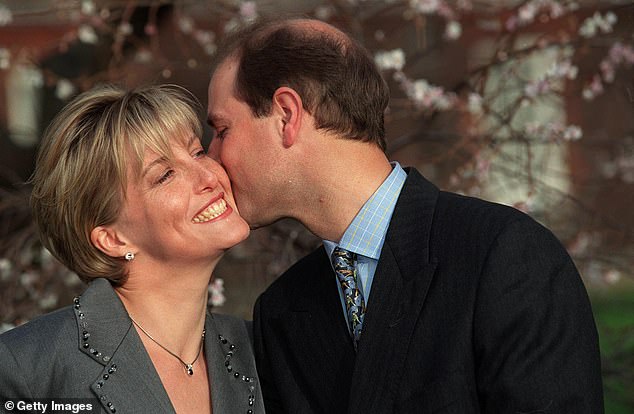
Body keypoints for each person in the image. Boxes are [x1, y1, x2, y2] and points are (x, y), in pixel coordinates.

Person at [206, 18, 604, 413]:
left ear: (286, 115)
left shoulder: (505, 257)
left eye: (222, 130)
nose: (211, 158)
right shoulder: (281, 313)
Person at [0, 84, 264, 414]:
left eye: (197, 152)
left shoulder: (260, 352)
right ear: (113, 239)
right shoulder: (26, 370)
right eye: (165, 174)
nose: (208, 175)